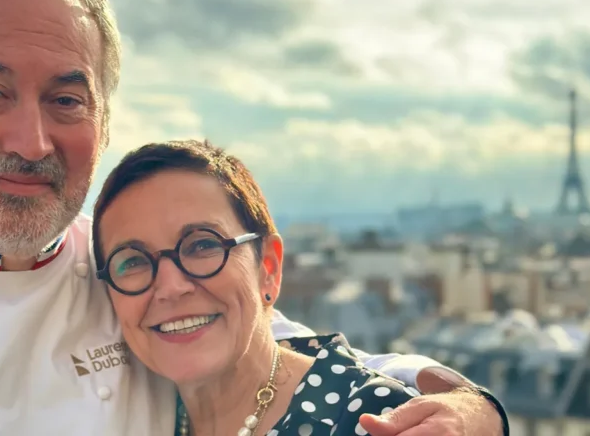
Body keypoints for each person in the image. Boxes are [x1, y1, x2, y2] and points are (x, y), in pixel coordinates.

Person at [0, 0, 508, 436]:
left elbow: (282, 353)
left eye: (67, 101)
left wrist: (473, 409)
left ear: (102, 121)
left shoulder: (125, 269)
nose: (31, 142)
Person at [92, 139, 418, 435]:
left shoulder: (377, 420)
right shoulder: (141, 417)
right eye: (132, 261)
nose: (171, 286)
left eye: (202, 245)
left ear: (268, 268)